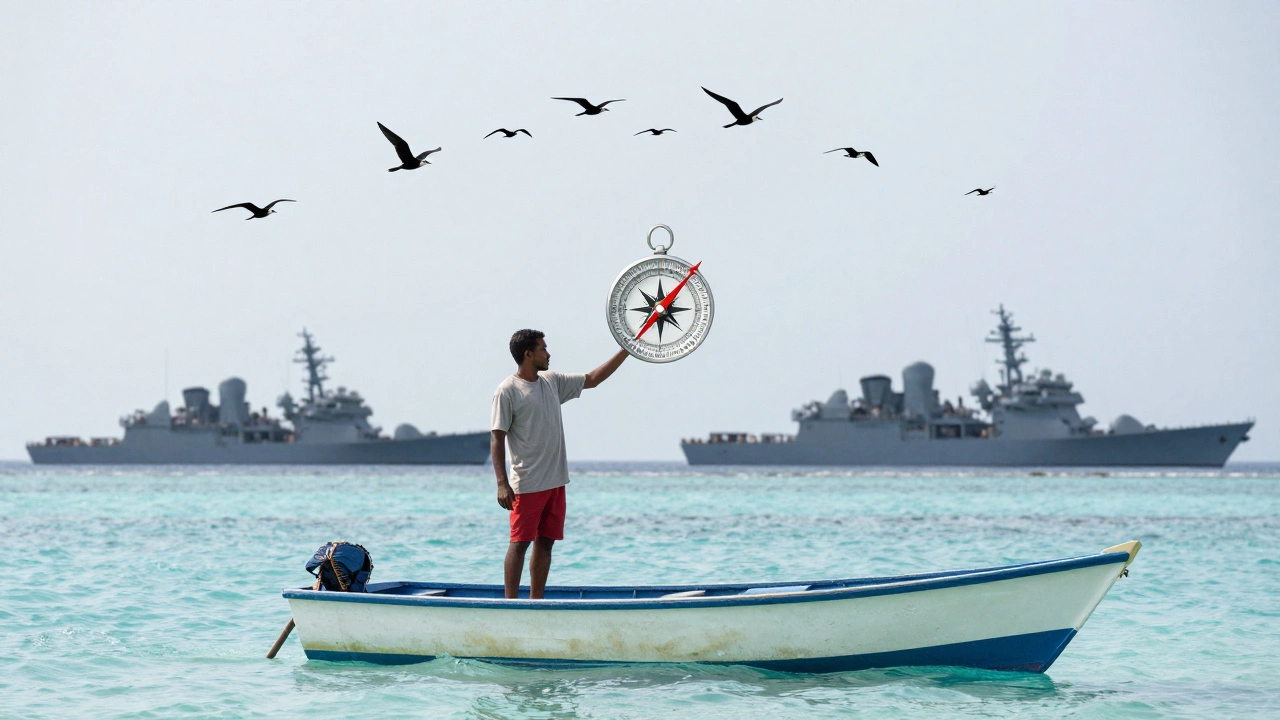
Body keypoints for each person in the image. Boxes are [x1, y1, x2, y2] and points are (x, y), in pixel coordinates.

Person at [490, 329, 628, 599]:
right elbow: (497, 438)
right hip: (527, 484)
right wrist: (501, 483)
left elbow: (592, 379)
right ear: (529, 354)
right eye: (543, 349)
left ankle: (536, 601)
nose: (548, 353)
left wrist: (626, 350)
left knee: (546, 543)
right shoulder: (507, 391)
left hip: (556, 481)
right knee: (519, 543)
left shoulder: (551, 381)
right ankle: (510, 606)